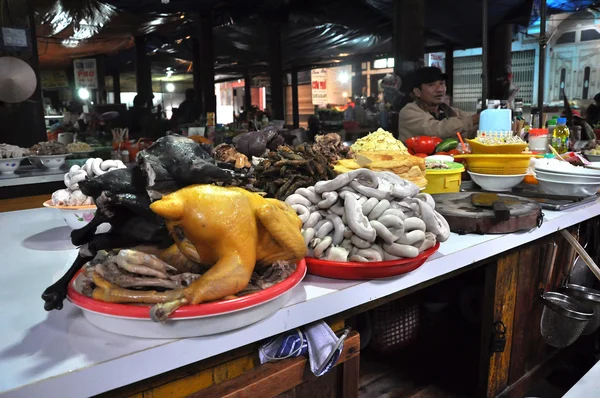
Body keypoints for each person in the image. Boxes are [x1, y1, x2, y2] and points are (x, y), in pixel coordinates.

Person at [398, 67, 479, 140]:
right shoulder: (408, 112)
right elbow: (435, 130)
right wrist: (473, 120)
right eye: (431, 85)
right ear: (417, 92)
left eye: (442, 83)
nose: (440, 89)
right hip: (417, 156)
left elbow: (473, 131)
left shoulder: (454, 112)